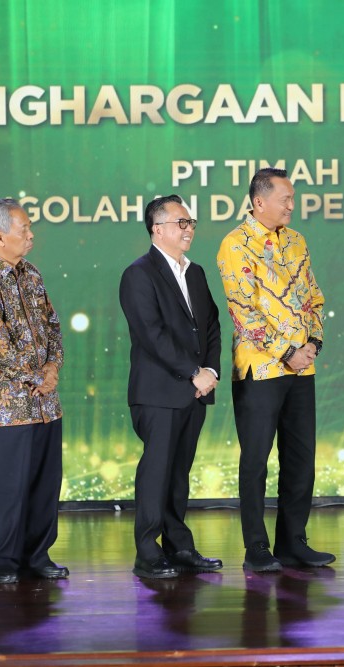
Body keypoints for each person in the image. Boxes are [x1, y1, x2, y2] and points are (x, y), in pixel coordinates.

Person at [217, 167, 334, 572]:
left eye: (292, 199)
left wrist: (313, 343)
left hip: (302, 368)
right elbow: (243, 312)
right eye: (285, 199)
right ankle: (256, 547)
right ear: (259, 202)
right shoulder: (235, 244)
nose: (291, 206)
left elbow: (314, 298)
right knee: (256, 460)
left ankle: (293, 542)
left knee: (301, 458)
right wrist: (286, 352)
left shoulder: (297, 241)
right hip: (260, 368)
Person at [0, 198, 67, 584]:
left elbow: (52, 326)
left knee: (44, 483)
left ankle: (37, 555)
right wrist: (36, 376)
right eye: (24, 229)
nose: (31, 235)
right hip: (6, 407)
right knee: (7, 487)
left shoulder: (31, 274)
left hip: (45, 404)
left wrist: (52, 367)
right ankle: (1, 560)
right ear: (0, 236)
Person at [119, 195, 223, 579]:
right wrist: (193, 371)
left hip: (194, 391)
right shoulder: (139, 274)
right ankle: (147, 552)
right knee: (157, 473)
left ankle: (179, 547)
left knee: (179, 474)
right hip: (158, 394)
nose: (189, 229)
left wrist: (210, 370)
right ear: (157, 229)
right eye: (182, 223)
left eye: (191, 222)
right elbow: (152, 335)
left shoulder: (195, 272)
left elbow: (210, 325)